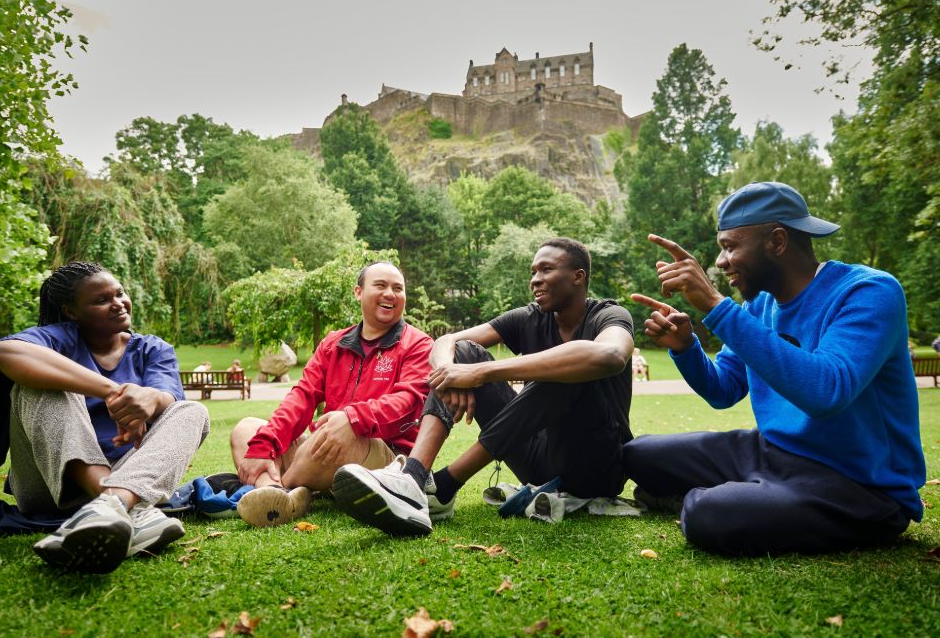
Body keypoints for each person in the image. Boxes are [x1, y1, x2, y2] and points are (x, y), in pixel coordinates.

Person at [625, 181, 926, 556]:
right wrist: (686, 348)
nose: (720, 261)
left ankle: (718, 500)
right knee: (639, 454)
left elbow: (826, 391)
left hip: (860, 482)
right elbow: (724, 389)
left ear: (777, 241)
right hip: (773, 452)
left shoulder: (869, 292)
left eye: (730, 246)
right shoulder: (759, 306)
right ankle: (754, 494)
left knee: (709, 512)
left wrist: (717, 307)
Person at [332, 237, 635, 536]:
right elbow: (446, 342)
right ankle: (414, 478)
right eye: (533, 272)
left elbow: (610, 355)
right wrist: (451, 373)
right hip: (540, 463)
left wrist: (481, 373)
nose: (535, 280)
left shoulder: (609, 315)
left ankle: (444, 486)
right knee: (462, 353)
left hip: (597, 466)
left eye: (546, 270)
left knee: (563, 368)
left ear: (577, 277)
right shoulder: (529, 317)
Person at [0, 261, 210, 573]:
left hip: (131, 476)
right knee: (41, 386)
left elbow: (169, 397)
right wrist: (112, 391)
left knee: (192, 411)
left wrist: (152, 398)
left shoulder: (152, 349)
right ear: (72, 312)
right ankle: (117, 506)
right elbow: (2, 353)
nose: (118, 303)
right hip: (50, 484)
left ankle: (109, 507)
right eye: (101, 300)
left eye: (120, 293)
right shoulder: (57, 340)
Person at [230, 261, 433, 528]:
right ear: (358, 292)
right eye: (380, 285)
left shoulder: (418, 344)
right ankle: (277, 492)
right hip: (323, 451)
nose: (390, 294)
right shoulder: (333, 343)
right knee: (247, 430)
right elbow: (303, 396)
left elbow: (407, 401)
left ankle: (281, 488)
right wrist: (264, 446)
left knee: (334, 435)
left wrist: (353, 418)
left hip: (383, 457)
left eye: (398, 288)